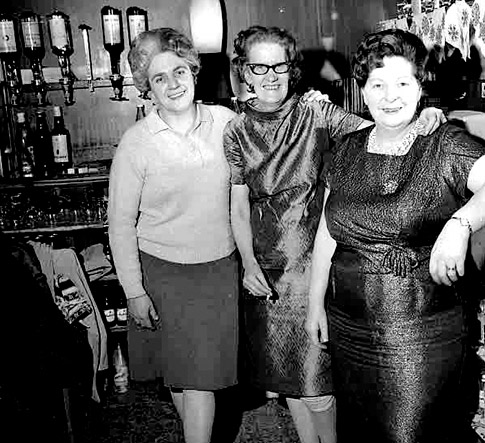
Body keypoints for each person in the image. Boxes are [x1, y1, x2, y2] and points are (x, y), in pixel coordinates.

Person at [223, 25, 445, 443]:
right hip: (266, 267)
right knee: (287, 372)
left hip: (314, 259)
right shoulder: (235, 130)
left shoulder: (316, 112)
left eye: (280, 65)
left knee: (317, 378)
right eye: (259, 66)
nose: (270, 75)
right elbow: (237, 203)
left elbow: (380, 127)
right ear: (244, 71)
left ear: (293, 69)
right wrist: (248, 263)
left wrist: (425, 115)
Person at [306, 28, 485, 443]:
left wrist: (460, 226)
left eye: (403, 82)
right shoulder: (346, 149)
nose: (390, 95)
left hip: (421, 332)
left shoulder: (445, 144)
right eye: (378, 84)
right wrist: (316, 305)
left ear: (420, 86)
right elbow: (327, 233)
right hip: (349, 324)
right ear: (362, 90)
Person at [108, 28, 239, 443]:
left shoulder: (226, 122)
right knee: (181, 380)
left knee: (200, 380)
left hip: (216, 270)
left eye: (179, 71)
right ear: (147, 88)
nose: (173, 84)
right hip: (161, 273)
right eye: (160, 78)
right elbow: (120, 223)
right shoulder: (136, 143)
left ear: (194, 72)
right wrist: (134, 291)